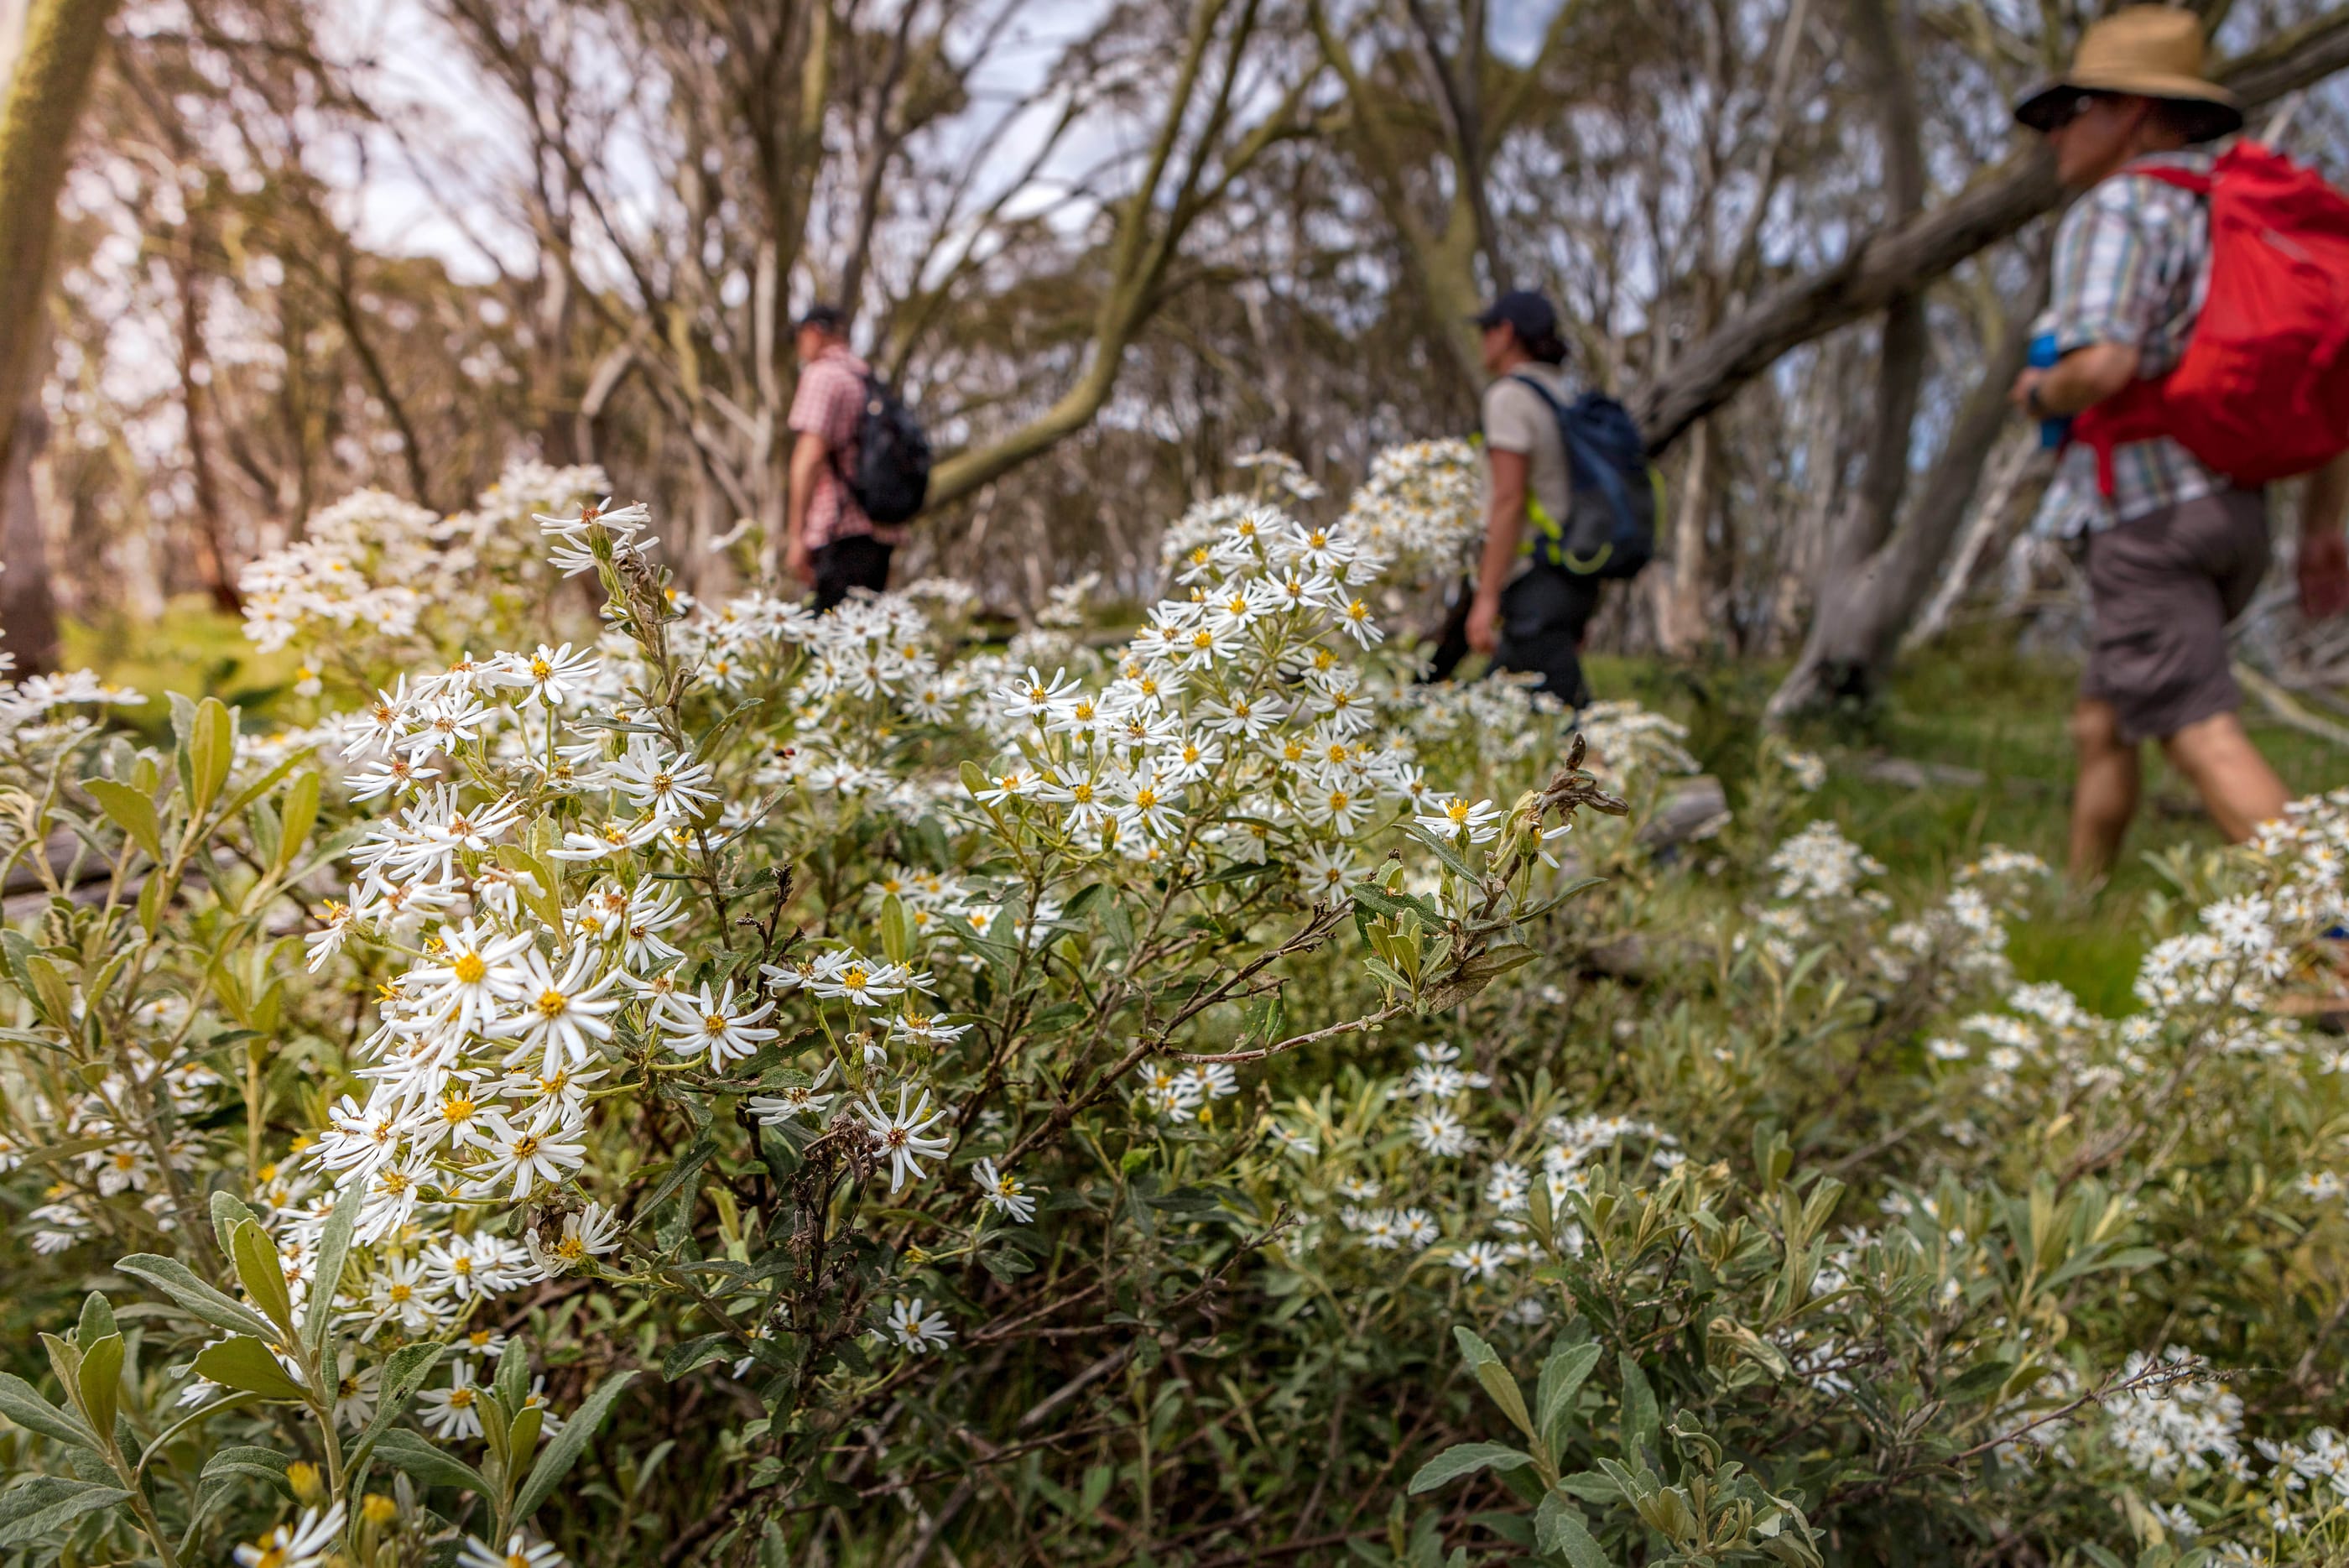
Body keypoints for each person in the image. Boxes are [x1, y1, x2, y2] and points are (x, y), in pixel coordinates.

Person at [2008, 6, 2349, 885]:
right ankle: (2076, 909)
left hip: (2145, 513)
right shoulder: (2235, 214)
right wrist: (2320, 528)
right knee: (2104, 718)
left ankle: (2333, 950)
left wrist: (2041, 390)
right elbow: (2315, 376)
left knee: (2198, 731)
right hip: (2230, 511)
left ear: (2127, 111)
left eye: (2068, 110)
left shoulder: (2118, 209)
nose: (2054, 136)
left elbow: (2106, 362)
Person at [1464, 289, 1597, 709]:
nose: (1483, 341)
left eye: (1487, 329)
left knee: (1565, 731)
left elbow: (1508, 498)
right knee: (1527, 712)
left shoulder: (1509, 397)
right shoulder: (1564, 396)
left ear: (1506, 333)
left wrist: (1485, 598)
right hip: (1574, 575)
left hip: (1535, 580)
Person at [784, 304, 908, 612]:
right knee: (862, 633)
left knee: (826, 640)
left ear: (815, 332)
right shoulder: (866, 377)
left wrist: (796, 536)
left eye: (799, 337)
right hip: (880, 527)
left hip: (840, 529)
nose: (799, 347)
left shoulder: (822, 376)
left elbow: (809, 457)